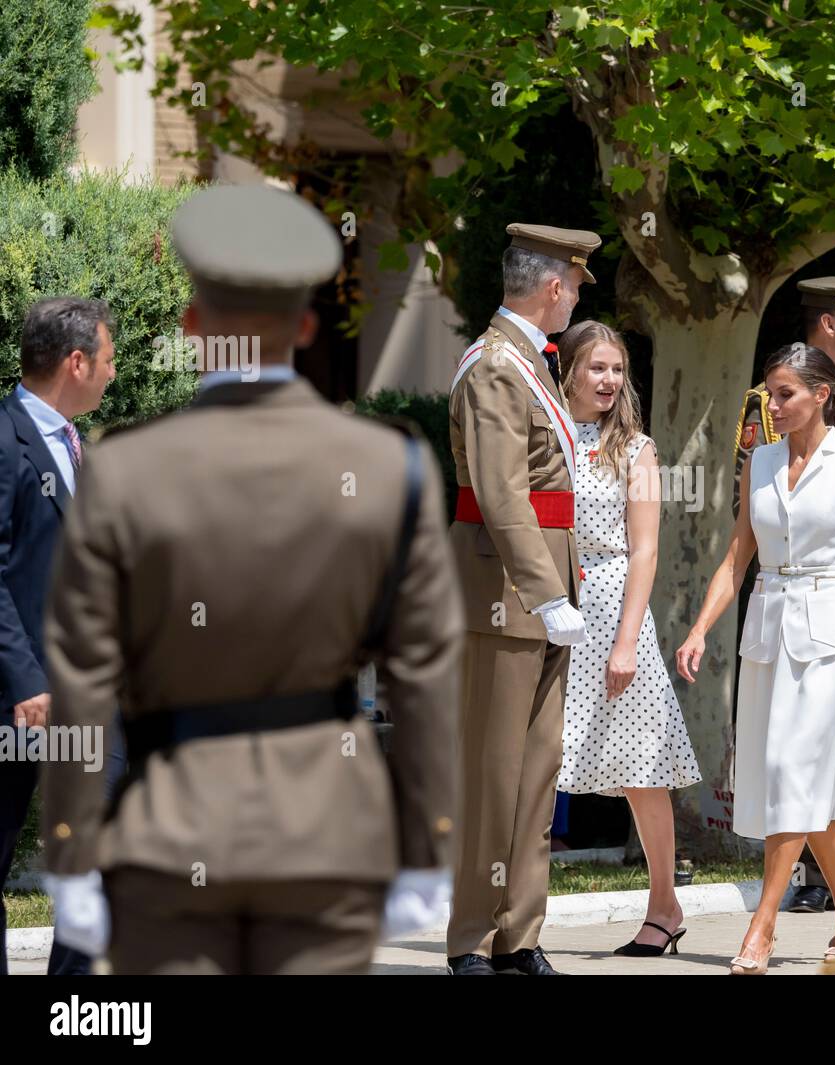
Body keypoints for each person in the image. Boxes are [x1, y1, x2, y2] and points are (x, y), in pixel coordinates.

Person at [40, 184, 464, 975]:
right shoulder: (387, 466)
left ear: (192, 325)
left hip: (171, 830)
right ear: (305, 328)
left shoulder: (125, 469)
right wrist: (428, 843)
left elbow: (84, 675)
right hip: (325, 831)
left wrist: (71, 850)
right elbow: (424, 671)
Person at [678, 343, 835, 974]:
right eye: (769, 393)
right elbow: (737, 557)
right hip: (766, 627)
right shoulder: (757, 462)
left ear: (821, 394)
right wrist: (701, 628)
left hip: (832, 633)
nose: (773, 405)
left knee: (795, 771)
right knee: (807, 789)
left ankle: (761, 927)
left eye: (785, 393)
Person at [445, 223, 601, 976]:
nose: (574, 297)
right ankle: (471, 938)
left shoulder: (527, 365)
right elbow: (504, 495)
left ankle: (518, 933)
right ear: (551, 286)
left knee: (536, 769)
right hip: (505, 593)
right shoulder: (495, 367)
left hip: (540, 592)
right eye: (574, 285)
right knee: (494, 771)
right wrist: (547, 593)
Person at [731, 277, 835, 913]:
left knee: (828, 759)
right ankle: (823, 897)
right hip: (786, 588)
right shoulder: (766, 401)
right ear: (828, 323)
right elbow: (754, 510)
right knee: (793, 760)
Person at [554, 320, 701, 957]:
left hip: (615, 607)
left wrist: (625, 642)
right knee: (539, 764)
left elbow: (646, 552)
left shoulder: (638, 449)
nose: (610, 380)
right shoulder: (548, 435)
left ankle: (665, 905)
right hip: (552, 600)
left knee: (642, 768)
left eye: (617, 370)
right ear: (571, 373)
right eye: (598, 368)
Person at [0, 297, 117, 977]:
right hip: (20, 698)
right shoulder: (6, 439)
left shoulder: (79, 446)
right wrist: (25, 680)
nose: (112, 371)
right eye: (105, 358)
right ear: (75, 362)